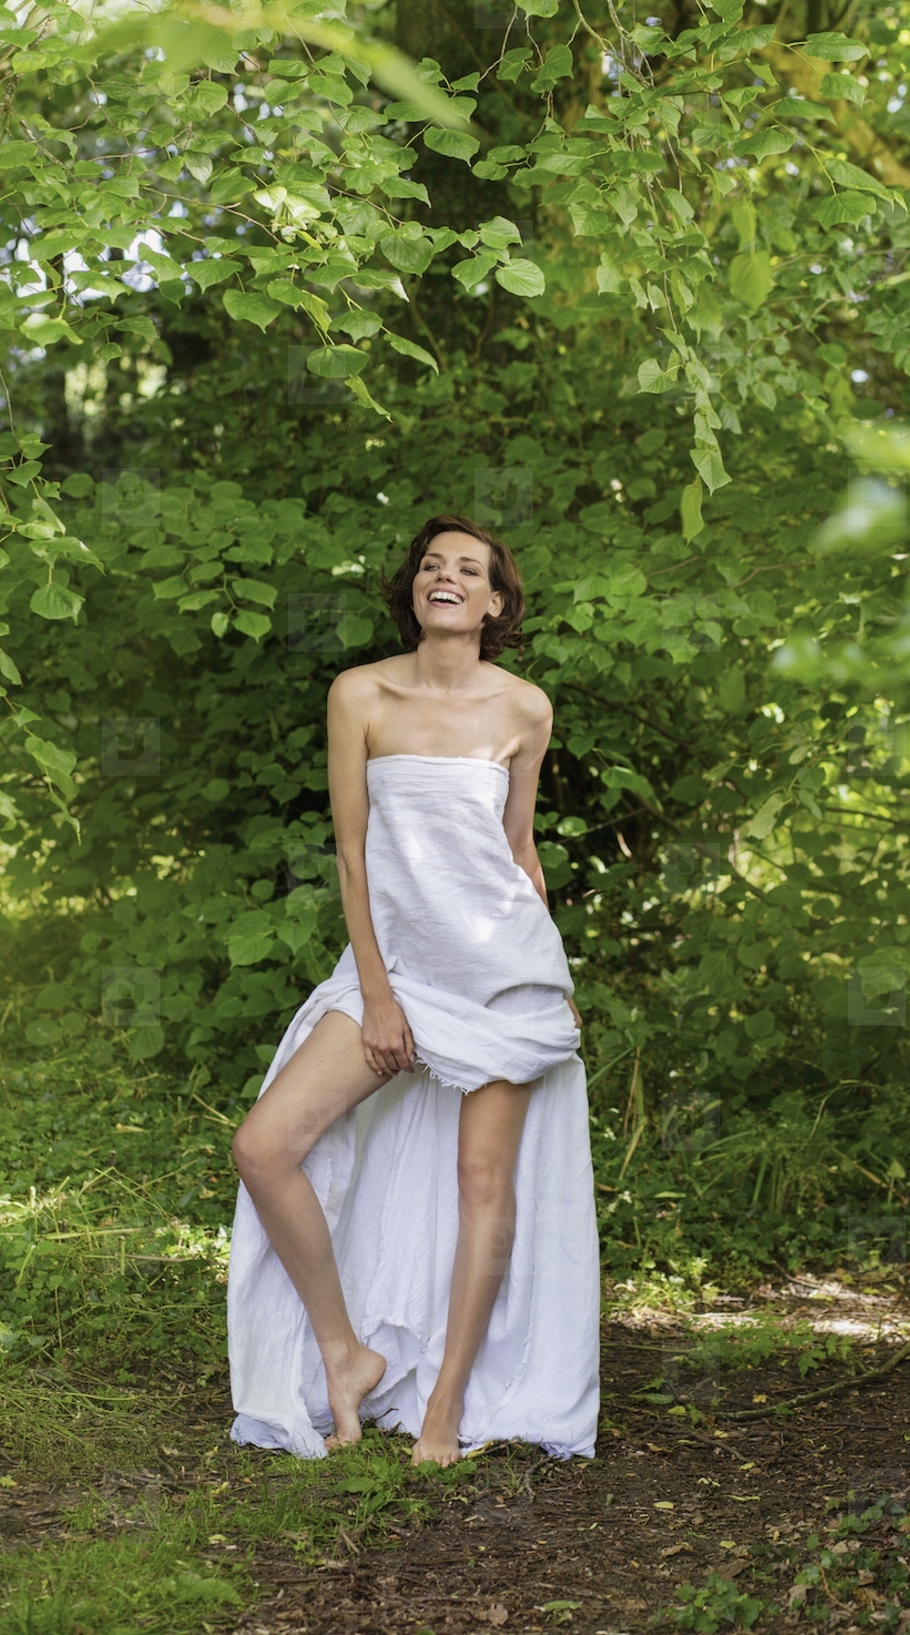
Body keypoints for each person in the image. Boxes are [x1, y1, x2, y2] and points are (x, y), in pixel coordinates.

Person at [227, 515, 599, 1467]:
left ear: (494, 603)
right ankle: (344, 1352)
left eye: (467, 569)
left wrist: (551, 976)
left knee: (485, 1189)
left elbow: (519, 852)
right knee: (264, 1146)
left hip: (502, 976)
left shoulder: (525, 709)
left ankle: (443, 1406)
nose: (446, 576)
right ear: (417, 591)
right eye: (432, 564)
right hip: (394, 971)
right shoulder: (361, 694)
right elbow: (352, 853)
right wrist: (380, 997)